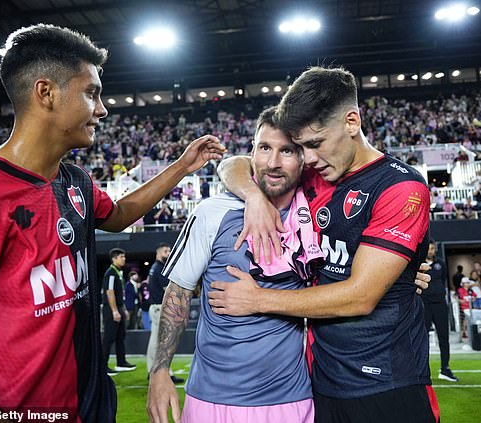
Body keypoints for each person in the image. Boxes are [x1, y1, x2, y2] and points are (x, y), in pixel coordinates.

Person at [0, 24, 224, 420]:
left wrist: (183, 166)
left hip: (92, 406)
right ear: (46, 93)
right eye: (91, 93)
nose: (103, 109)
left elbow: (121, 214)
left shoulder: (75, 181)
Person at [212, 67, 438, 423]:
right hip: (322, 382)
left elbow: (361, 296)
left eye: (315, 144)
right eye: (300, 147)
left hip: (388, 383)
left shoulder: (400, 187)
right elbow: (233, 164)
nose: (309, 158)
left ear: (352, 122)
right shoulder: (315, 176)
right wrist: (253, 196)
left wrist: (257, 300)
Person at [147, 107, 319, 423]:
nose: (273, 162)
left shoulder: (316, 215)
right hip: (210, 400)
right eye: (265, 148)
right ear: (251, 151)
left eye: (287, 151)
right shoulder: (212, 212)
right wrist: (160, 371)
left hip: (290, 400)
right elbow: (178, 292)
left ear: (303, 158)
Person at [146, 243, 184, 385]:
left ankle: (154, 371)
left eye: (169, 250)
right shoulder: (160, 268)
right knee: (161, 342)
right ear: (158, 252)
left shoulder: (155, 268)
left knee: (156, 342)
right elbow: (168, 290)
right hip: (159, 308)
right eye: (166, 251)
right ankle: (161, 373)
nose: (168, 253)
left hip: (156, 307)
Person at [421, 241, 458, 382]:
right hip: (424, 304)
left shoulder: (440, 264)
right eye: (429, 248)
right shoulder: (419, 264)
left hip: (440, 304)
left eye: (432, 248)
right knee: (422, 338)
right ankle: (422, 369)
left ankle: (445, 369)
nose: (431, 251)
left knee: (444, 338)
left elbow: (443, 282)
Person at [102, 248, 136, 376]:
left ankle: (121, 362)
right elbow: (109, 292)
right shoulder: (111, 273)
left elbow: (118, 294)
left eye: (124, 256)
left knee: (120, 336)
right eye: (121, 257)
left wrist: (123, 310)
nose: (124, 259)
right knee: (108, 338)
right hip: (111, 310)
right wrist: (115, 311)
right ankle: (103, 366)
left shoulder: (118, 273)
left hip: (119, 308)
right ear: (114, 259)